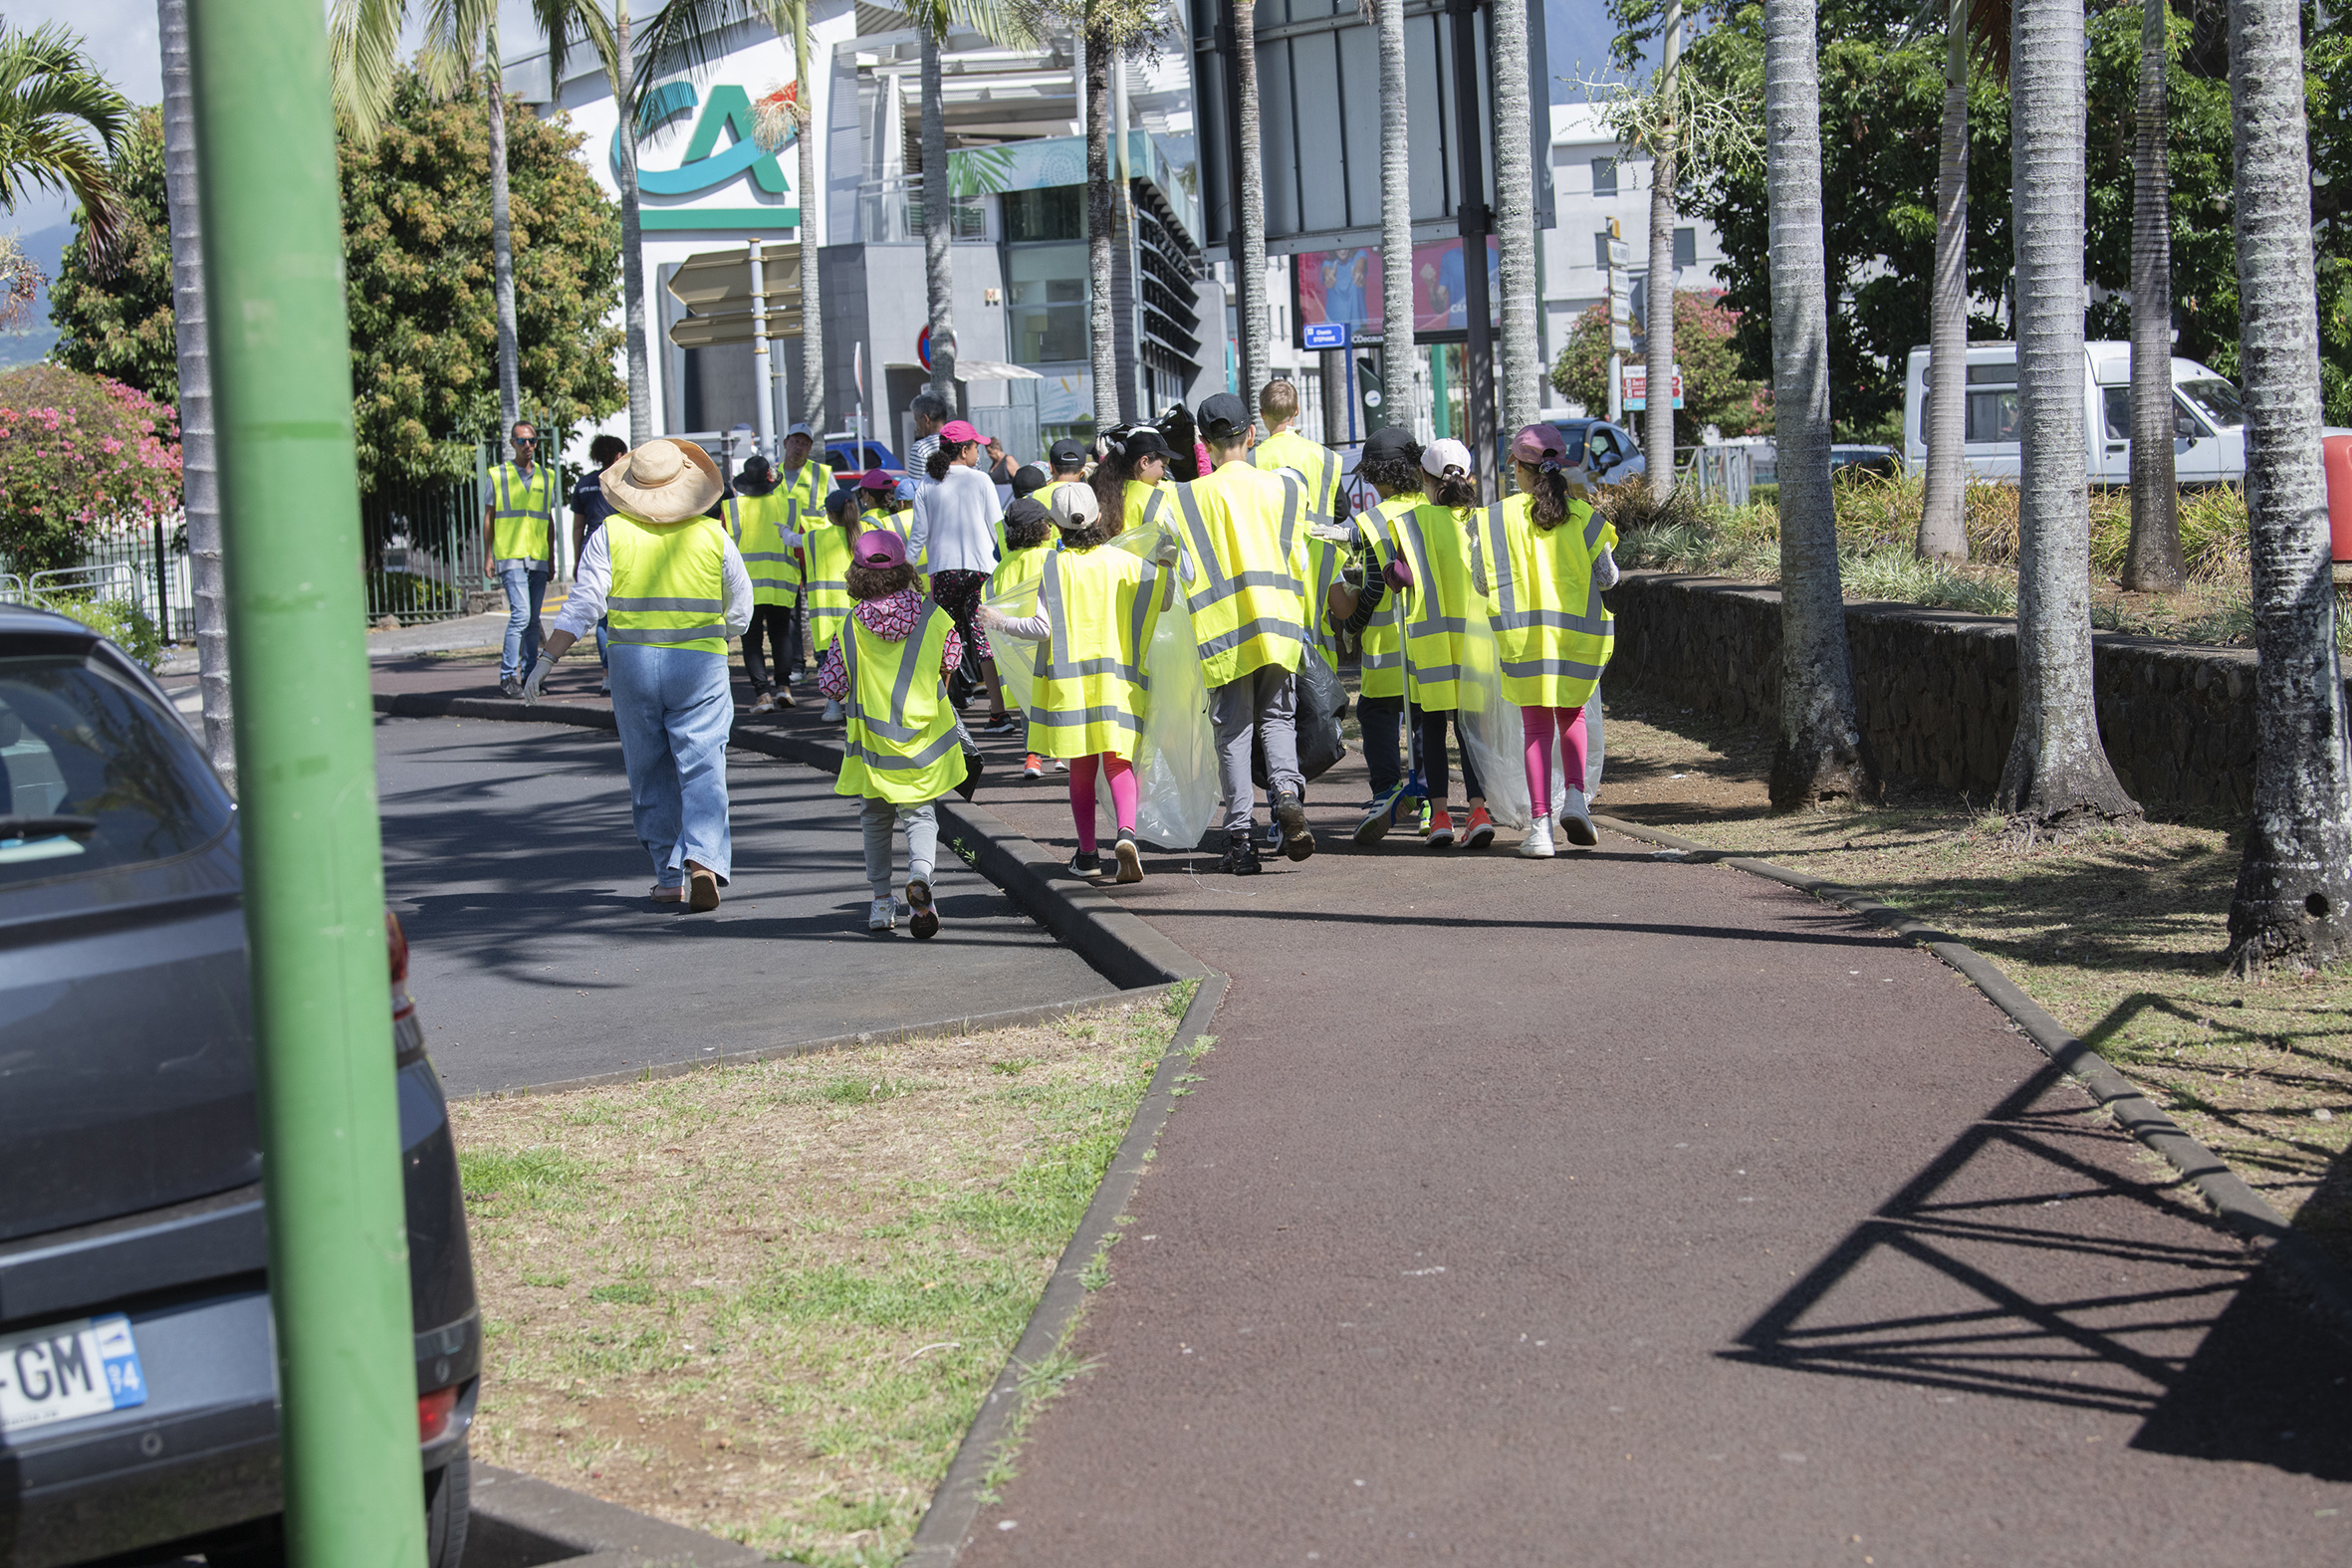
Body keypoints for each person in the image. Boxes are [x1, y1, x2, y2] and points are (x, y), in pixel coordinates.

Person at [524, 439, 750, 910]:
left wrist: (546, 660)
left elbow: (585, 604)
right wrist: (716, 636)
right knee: (704, 764)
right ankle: (704, 862)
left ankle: (668, 875)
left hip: (632, 664)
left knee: (648, 768)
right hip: (700, 663)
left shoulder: (611, 533)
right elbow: (741, 609)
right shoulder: (712, 534)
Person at [983, 483, 1174, 883]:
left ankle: (1087, 855)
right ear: (1099, 517)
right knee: (1119, 762)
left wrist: (999, 622)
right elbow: (1164, 601)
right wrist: (1166, 569)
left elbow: (1039, 627)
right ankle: (1126, 833)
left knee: (1082, 771)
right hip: (1120, 685)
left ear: (1055, 525)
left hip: (1069, 691)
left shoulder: (1053, 568)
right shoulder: (1124, 563)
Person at [1168, 392, 1312, 874]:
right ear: (1251, 435)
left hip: (1222, 630)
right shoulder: (1285, 489)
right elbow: (1300, 558)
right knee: (1278, 720)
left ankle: (1239, 839)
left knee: (1233, 733)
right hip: (1279, 623)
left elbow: (1178, 568)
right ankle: (1288, 796)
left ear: (1204, 444)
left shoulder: (1185, 499)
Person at [817, 529, 967, 938]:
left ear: (857, 574)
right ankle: (921, 878)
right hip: (924, 743)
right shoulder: (933, 616)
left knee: (875, 821)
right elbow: (951, 660)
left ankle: (882, 903)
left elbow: (832, 687)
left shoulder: (848, 626)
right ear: (904, 567)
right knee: (919, 815)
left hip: (872, 750)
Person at [1480, 424, 1620, 857]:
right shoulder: (1584, 516)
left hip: (1524, 642)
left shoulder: (1496, 519)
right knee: (1571, 715)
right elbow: (1609, 579)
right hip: (1576, 640)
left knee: (1536, 728)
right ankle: (1576, 799)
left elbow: (1483, 583)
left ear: (1518, 470)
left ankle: (1540, 828)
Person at [1388, 437, 1496, 850]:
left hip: (1430, 647)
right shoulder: (1483, 521)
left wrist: (1386, 569)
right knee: (1471, 730)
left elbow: (1400, 577)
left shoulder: (1412, 524)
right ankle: (1479, 810)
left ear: (1424, 479)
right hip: (1476, 646)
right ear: (1468, 477)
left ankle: (1439, 817)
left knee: (1432, 729)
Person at [1322, 425, 1424, 842]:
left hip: (1386, 644)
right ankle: (1430, 804)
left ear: (1379, 475)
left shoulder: (1369, 522)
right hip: (1430, 638)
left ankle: (1386, 792)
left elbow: (1373, 586)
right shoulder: (1433, 506)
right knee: (1425, 721)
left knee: (1376, 716)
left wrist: (1353, 623)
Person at [909, 419, 1015, 733]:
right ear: (965, 449)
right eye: (976, 447)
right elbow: (999, 529)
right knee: (984, 639)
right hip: (981, 570)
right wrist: (1010, 562)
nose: (978, 453)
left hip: (943, 571)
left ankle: (940, 712)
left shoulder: (928, 483)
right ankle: (997, 713)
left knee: (944, 638)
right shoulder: (981, 480)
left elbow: (918, 535)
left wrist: (903, 568)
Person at [1253, 381, 1350, 678]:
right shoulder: (1326, 457)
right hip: (1318, 549)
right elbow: (1342, 510)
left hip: (1268, 555)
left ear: (1262, 415)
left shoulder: (1252, 460)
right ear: (1296, 411)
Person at [485, 419, 559, 697]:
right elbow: (489, 518)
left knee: (532, 620)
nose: (527, 445)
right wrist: (488, 555)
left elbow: (548, 520)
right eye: (521, 441)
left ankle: (529, 677)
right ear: (512, 444)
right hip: (510, 554)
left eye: (532, 440)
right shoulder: (498, 475)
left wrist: (551, 558)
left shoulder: (546, 476)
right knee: (521, 615)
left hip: (538, 556)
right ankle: (507, 676)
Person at [985, 496, 1057, 779]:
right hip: (1049, 642)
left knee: (1029, 705)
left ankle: (1032, 757)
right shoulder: (1050, 558)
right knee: (1058, 700)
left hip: (1016, 647)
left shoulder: (999, 570)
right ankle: (1064, 755)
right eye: (1046, 522)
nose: (1050, 526)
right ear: (1036, 528)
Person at [726, 454, 802, 714]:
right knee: (780, 635)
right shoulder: (789, 505)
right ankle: (784, 688)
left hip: (746, 586)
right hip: (781, 582)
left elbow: (725, 547)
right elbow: (798, 540)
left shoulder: (734, 508)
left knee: (751, 642)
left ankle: (762, 696)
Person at [569, 432, 629, 694]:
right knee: (620, 613)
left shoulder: (584, 484)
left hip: (590, 551)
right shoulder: (623, 482)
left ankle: (606, 675)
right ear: (617, 455)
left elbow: (577, 526)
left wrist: (577, 558)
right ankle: (621, 671)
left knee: (601, 617)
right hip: (619, 548)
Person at [806, 488, 860, 720]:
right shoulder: (864, 535)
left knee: (830, 662)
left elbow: (791, 540)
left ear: (829, 513)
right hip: (856, 616)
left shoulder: (815, 537)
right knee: (857, 663)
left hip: (826, 617)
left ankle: (834, 705)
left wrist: (785, 531)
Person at [1091, 424, 1177, 535]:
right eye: (1163, 467)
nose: (1164, 474)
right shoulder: (1157, 499)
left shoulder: (1106, 491)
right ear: (1144, 462)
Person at [906, 390, 951, 471]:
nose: (917, 428)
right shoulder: (966, 444)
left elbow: (915, 483)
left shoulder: (920, 448)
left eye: (917, 421)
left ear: (925, 419)